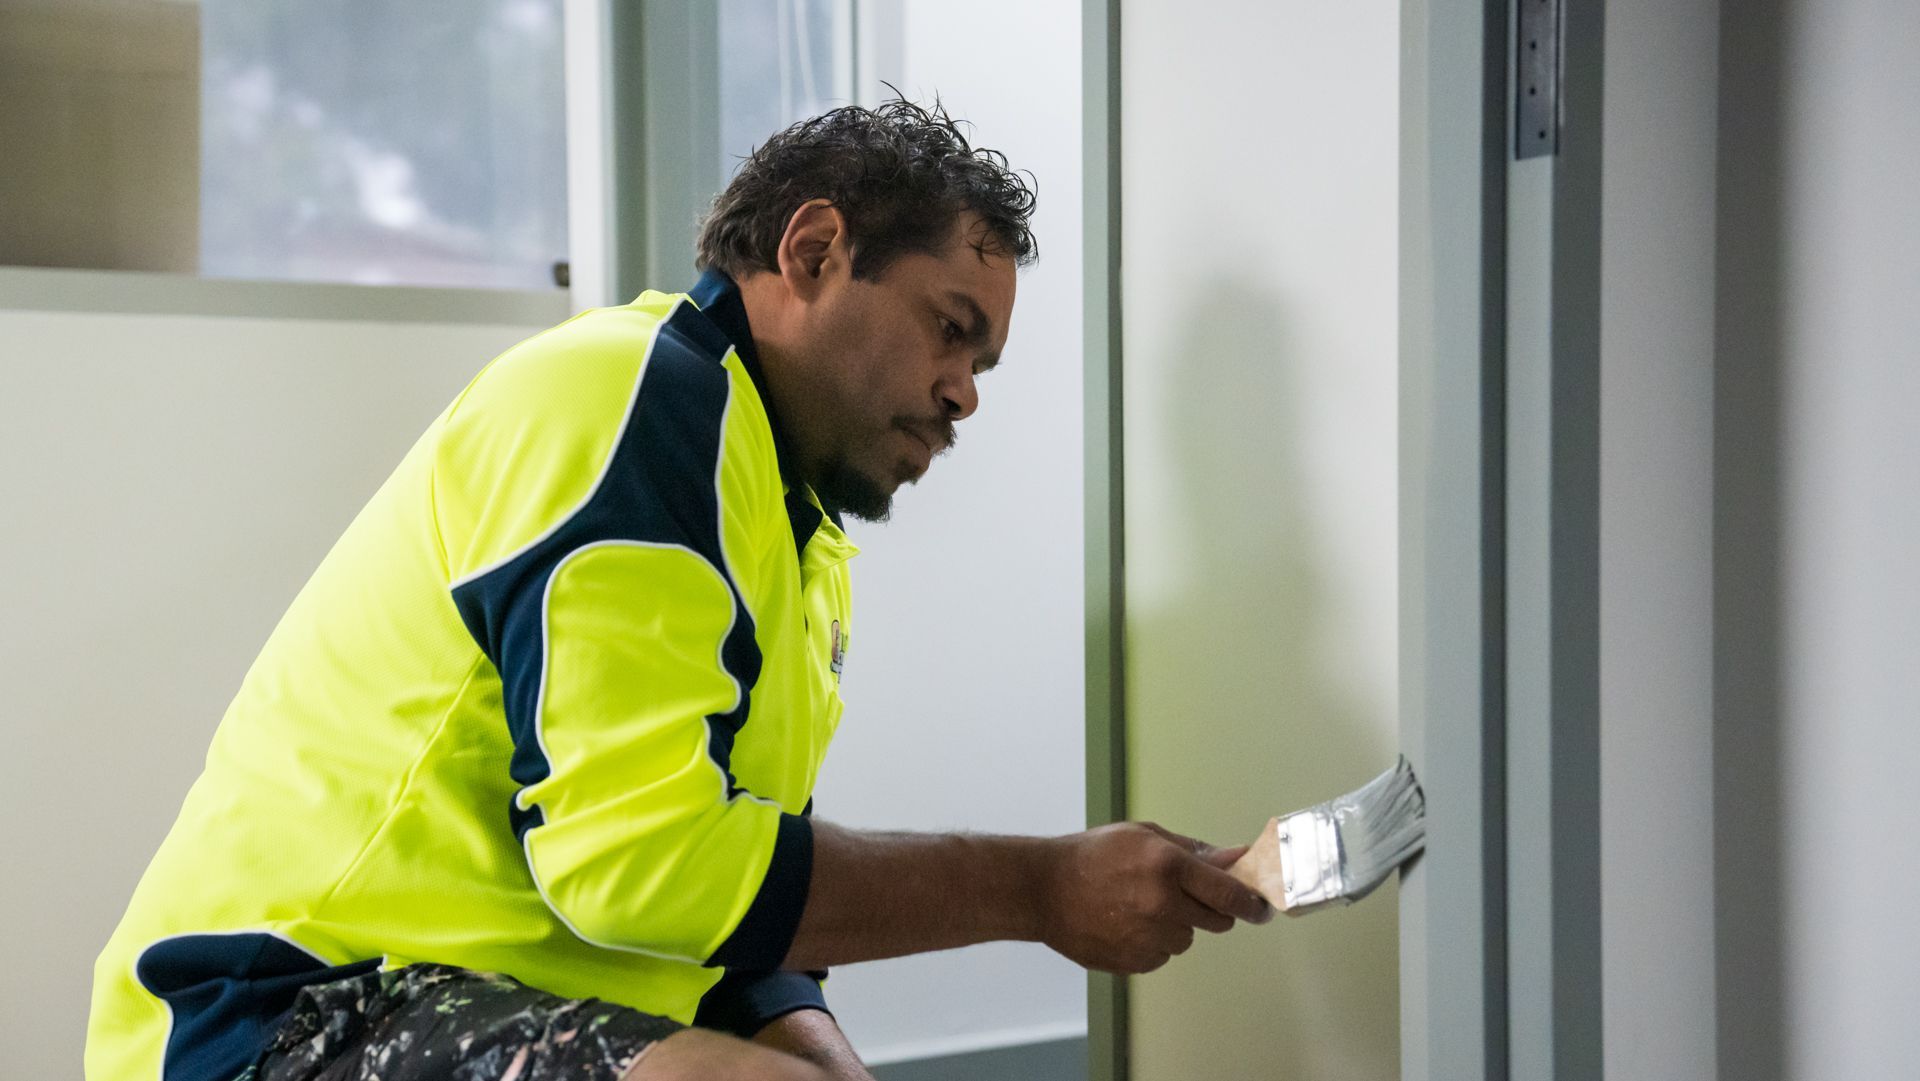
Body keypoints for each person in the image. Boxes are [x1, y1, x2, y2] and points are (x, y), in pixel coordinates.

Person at [86, 98, 1271, 1081]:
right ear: (813, 253)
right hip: (276, 1013)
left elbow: (728, 908)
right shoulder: (633, 400)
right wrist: (1037, 884)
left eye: (982, 364)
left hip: (484, 1004)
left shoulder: (795, 542)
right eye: (949, 330)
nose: (964, 392)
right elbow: (637, 860)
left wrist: (829, 1060)